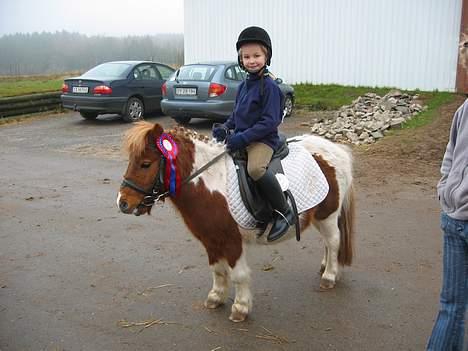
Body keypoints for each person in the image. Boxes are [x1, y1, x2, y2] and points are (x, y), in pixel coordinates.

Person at [212, 26, 295, 242]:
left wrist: (242, 138)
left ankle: (284, 211)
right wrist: (225, 128)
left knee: (256, 169)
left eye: (256, 56)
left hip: (263, 140)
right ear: (241, 60)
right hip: (243, 136)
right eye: (246, 57)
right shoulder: (243, 86)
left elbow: (269, 122)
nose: (251, 61)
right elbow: (237, 115)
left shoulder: (271, 88)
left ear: (266, 56)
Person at [426, 91, 468, 348]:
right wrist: (445, 188)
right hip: (454, 219)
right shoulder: (464, 108)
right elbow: (451, 151)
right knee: (451, 306)